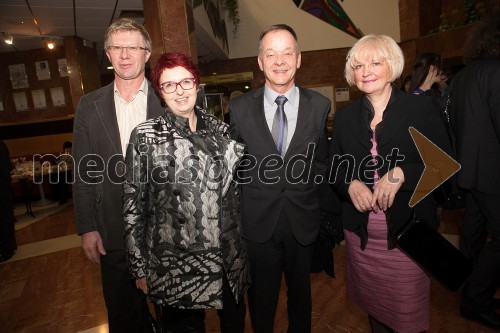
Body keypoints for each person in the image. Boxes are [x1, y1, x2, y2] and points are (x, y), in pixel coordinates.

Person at [329, 34, 452, 333]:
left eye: (374, 62)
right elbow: (334, 168)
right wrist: (350, 184)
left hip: (408, 235)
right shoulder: (344, 118)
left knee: (408, 316)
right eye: (358, 65)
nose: (365, 71)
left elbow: (445, 165)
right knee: (376, 311)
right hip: (362, 238)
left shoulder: (420, 110)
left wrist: (403, 173)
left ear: (392, 66)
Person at [123, 52, 249, 332]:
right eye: (169, 85)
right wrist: (139, 268)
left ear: (197, 84)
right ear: (160, 92)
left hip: (227, 257)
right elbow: (133, 206)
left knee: (234, 325)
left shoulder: (223, 131)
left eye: (186, 82)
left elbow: (235, 199)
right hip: (175, 265)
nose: (179, 91)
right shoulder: (146, 137)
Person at [230, 24, 331, 332]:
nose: (279, 61)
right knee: (261, 299)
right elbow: (234, 168)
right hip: (258, 222)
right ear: (260, 61)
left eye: (287, 52)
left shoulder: (319, 106)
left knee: (301, 298)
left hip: (302, 220)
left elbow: (322, 163)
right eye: (270, 53)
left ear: (298, 58)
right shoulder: (239, 108)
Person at [72, 18, 163, 333]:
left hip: (164, 232)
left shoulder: (169, 101)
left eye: (133, 47)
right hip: (111, 232)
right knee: (124, 318)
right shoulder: (88, 106)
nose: (125, 55)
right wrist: (87, 227)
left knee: (175, 315)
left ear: (146, 53)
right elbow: (83, 171)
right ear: (107, 55)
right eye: (117, 48)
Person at [449, 11, 500, 330]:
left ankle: (470, 288)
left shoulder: (463, 76)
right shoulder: (496, 72)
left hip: (468, 172)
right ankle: (475, 300)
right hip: (492, 172)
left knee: (473, 235)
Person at [0, 140, 16, 263]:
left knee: (4, 220)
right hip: (4, 188)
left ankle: (7, 250)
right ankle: (11, 245)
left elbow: (6, 168)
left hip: (2, 189)